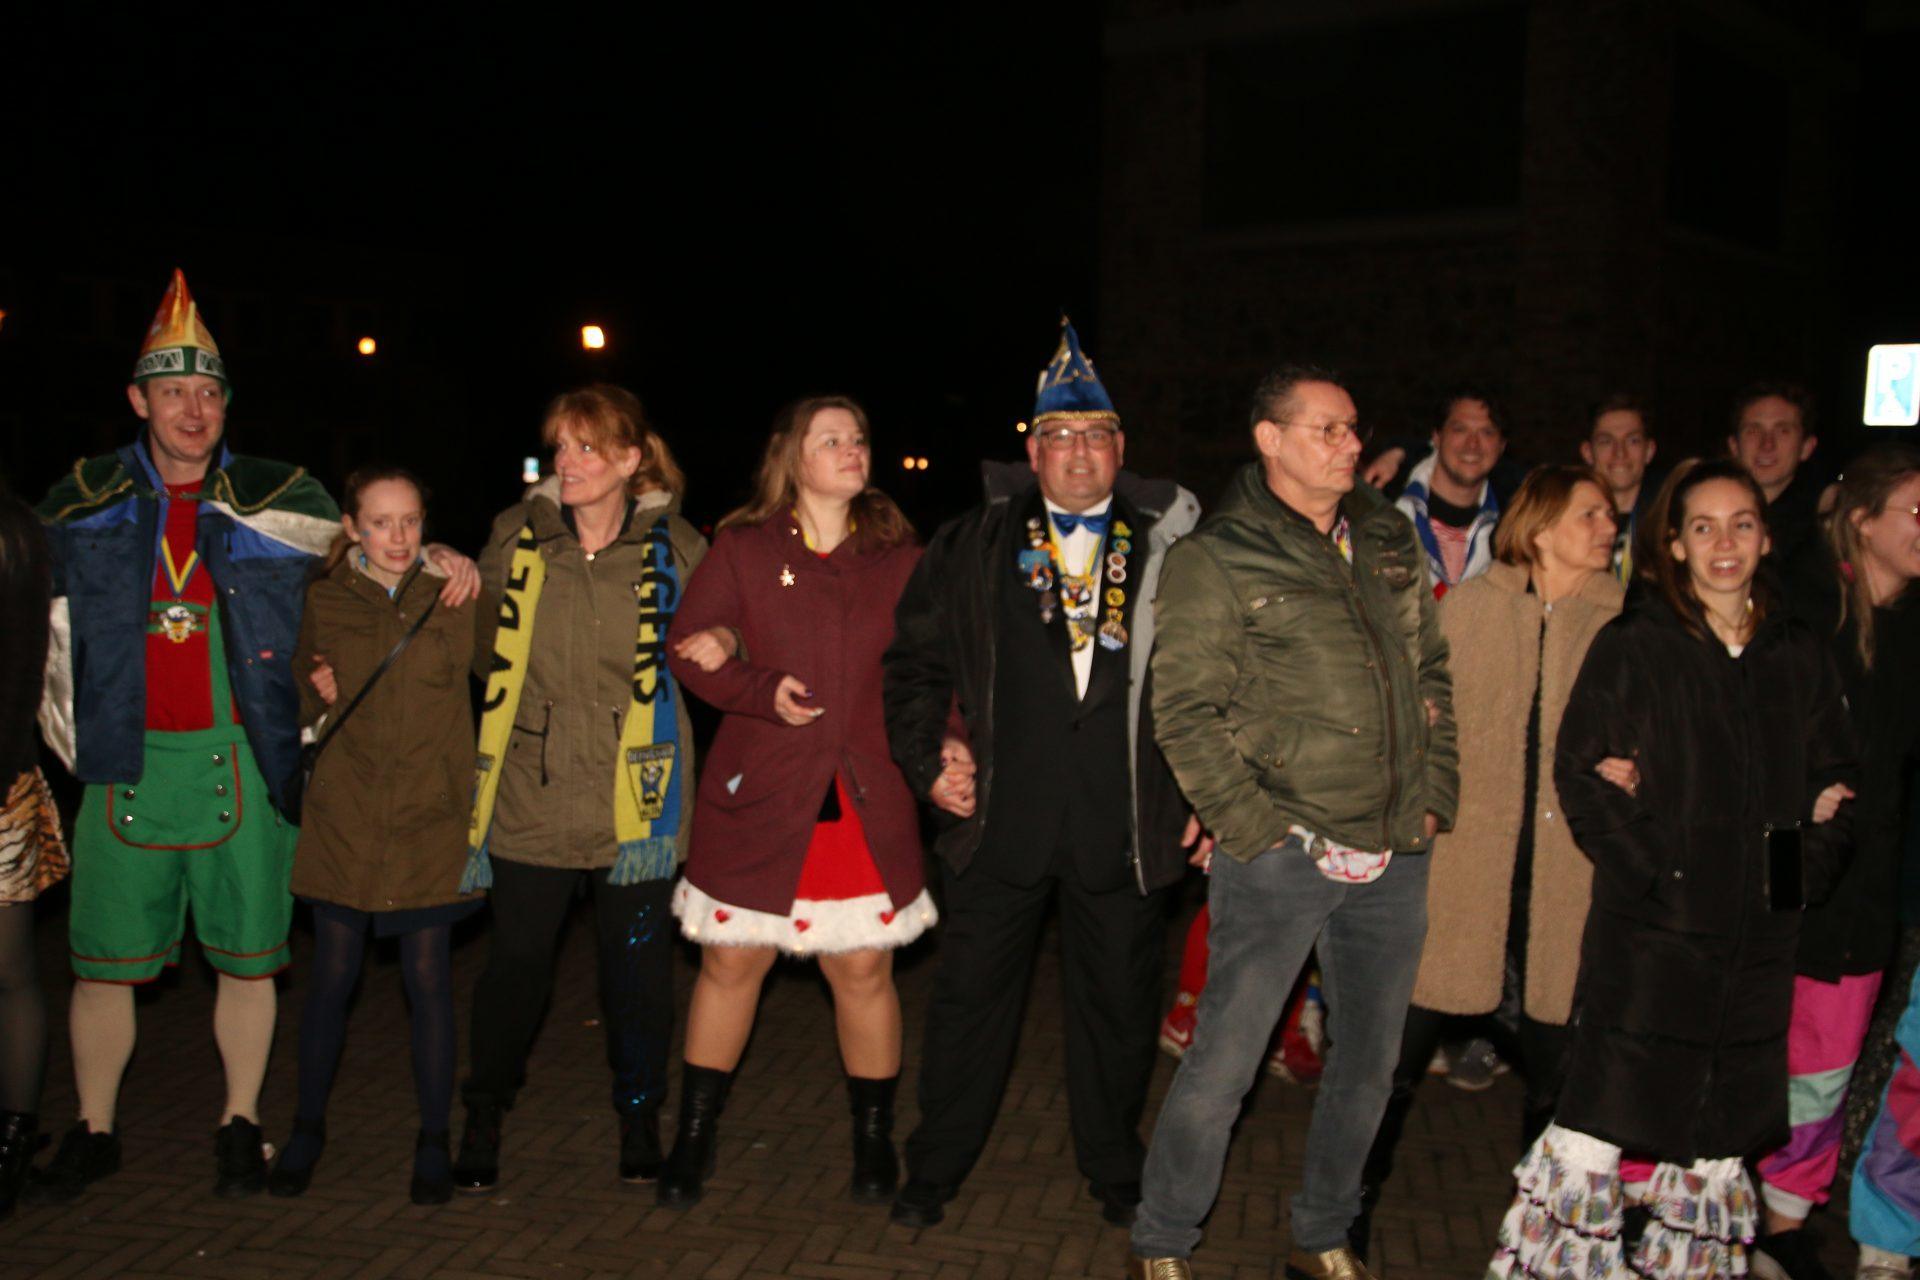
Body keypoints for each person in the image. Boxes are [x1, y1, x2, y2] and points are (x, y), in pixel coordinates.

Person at [26, 270, 477, 1204]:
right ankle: (94, 1127)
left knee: (249, 957)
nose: (193, 411)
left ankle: (241, 1120)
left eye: (209, 392)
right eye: (174, 392)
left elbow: (374, 554)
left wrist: (434, 553)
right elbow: (28, 614)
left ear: (226, 402)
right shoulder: (81, 501)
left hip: (243, 758)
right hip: (123, 761)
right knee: (102, 964)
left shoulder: (285, 500)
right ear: (139, 400)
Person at [1128, 364, 1458, 1280]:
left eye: (1353, 428)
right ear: (1269, 440)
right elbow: (1182, 710)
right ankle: (1163, 1240)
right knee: (1224, 1066)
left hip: (1395, 849)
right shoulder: (1218, 556)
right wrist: (1253, 830)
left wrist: (1435, 793)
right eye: (1327, 429)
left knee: (1368, 1067)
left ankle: (1324, 1233)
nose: (1351, 444)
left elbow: (1432, 671)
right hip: (1283, 852)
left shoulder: (1386, 535)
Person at [1490, 458, 1856, 1280]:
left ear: (1765, 538)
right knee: (1599, 1131)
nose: (1725, 543)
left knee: (1712, 1145)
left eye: (1741, 524)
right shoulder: (1639, 644)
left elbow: (1837, 785)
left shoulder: (1797, 652)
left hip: (1752, 957)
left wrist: (1784, 882)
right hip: (1650, 947)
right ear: (1677, 546)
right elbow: (1582, 773)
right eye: (1703, 527)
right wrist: (1661, 874)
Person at [882, 320, 1201, 1230]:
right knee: (969, 1006)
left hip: (1125, 820)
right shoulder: (973, 544)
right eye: (1060, 436)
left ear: (1120, 450)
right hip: (1000, 818)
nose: (1079, 453)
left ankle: (1114, 1164)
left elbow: (1212, 684)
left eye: (1096, 435)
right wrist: (927, 759)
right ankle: (934, 1166)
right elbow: (913, 668)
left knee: (1119, 1010)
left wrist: (1205, 799)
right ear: (1032, 452)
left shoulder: (1173, 547)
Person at [660, 395, 933, 1207]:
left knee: (863, 968)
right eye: (832, 439)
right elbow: (690, 650)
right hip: (763, 792)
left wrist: (950, 743)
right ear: (793, 457)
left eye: (859, 437)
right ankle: (693, 1138)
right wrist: (756, 685)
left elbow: (931, 672)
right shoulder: (745, 549)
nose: (852, 449)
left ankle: (873, 1141)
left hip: (865, 794)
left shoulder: (900, 559)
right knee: (732, 960)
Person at [453, 384, 719, 1194]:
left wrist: (728, 637)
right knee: (516, 968)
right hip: (530, 796)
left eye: (585, 448)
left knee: (636, 975)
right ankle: (485, 1109)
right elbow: (472, 649)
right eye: (560, 447)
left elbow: (721, 647)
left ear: (630, 460)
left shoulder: (679, 549)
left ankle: (639, 1114)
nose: (564, 462)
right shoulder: (516, 536)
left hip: (638, 802)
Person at [1358, 466, 1623, 1256]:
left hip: (1566, 895)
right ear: (1538, 529)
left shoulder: (1627, 627)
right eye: (1589, 513)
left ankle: (1540, 1246)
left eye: (1610, 514)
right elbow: (1416, 725)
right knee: (1388, 1070)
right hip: (1461, 885)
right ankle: (1339, 1223)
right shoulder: (1471, 609)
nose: (1608, 525)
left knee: (1558, 1088)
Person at [267, 467, 486, 1205]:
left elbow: (509, 672)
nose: (399, 537)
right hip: (347, 819)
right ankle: (306, 1130)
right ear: (352, 528)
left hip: (430, 819)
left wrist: (467, 566)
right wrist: (313, 690)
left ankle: (434, 1141)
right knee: (331, 979)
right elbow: (289, 694)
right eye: (382, 522)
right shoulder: (324, 598)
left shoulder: (455, 594)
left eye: (412, 521)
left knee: (430, 982)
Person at [1758, 445, 1920, 1280]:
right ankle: (1717, 1208)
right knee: (1756, 1044)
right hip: (1789, 869)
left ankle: (1783, 1226)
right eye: (1916, 511)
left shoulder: (1913, 628)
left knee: (1825, 1066)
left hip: (1866, 891)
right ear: (1862, 520)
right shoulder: (1801, 610)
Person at [0, 478, 67, 1218]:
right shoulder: (24, 530)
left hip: (3, 784)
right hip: (11, 774)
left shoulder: (16, 533)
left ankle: (13, 1139)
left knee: (11, 972)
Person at [1394, 390, 1507, 596]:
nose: (1472, 444)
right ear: (1436, 437)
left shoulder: (1511, 529)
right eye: (1460, 430)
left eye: (1487, 432)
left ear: (1502, 445)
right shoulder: (1387, 502)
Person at [1730, 381, 1823, 566]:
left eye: (1783, 431)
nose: (1767, 444)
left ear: (1806, 447)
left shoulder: (1824, 532)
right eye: (1753, 430)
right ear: (1734, 446)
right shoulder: (1708, 517)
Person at [1579, 395, 1660, 583]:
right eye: (1606, 441)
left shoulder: (1667, 524)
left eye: (1632, 441)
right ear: (1588, 452)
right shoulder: (1568, 526)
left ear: (1649, 451)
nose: (1620, 453)